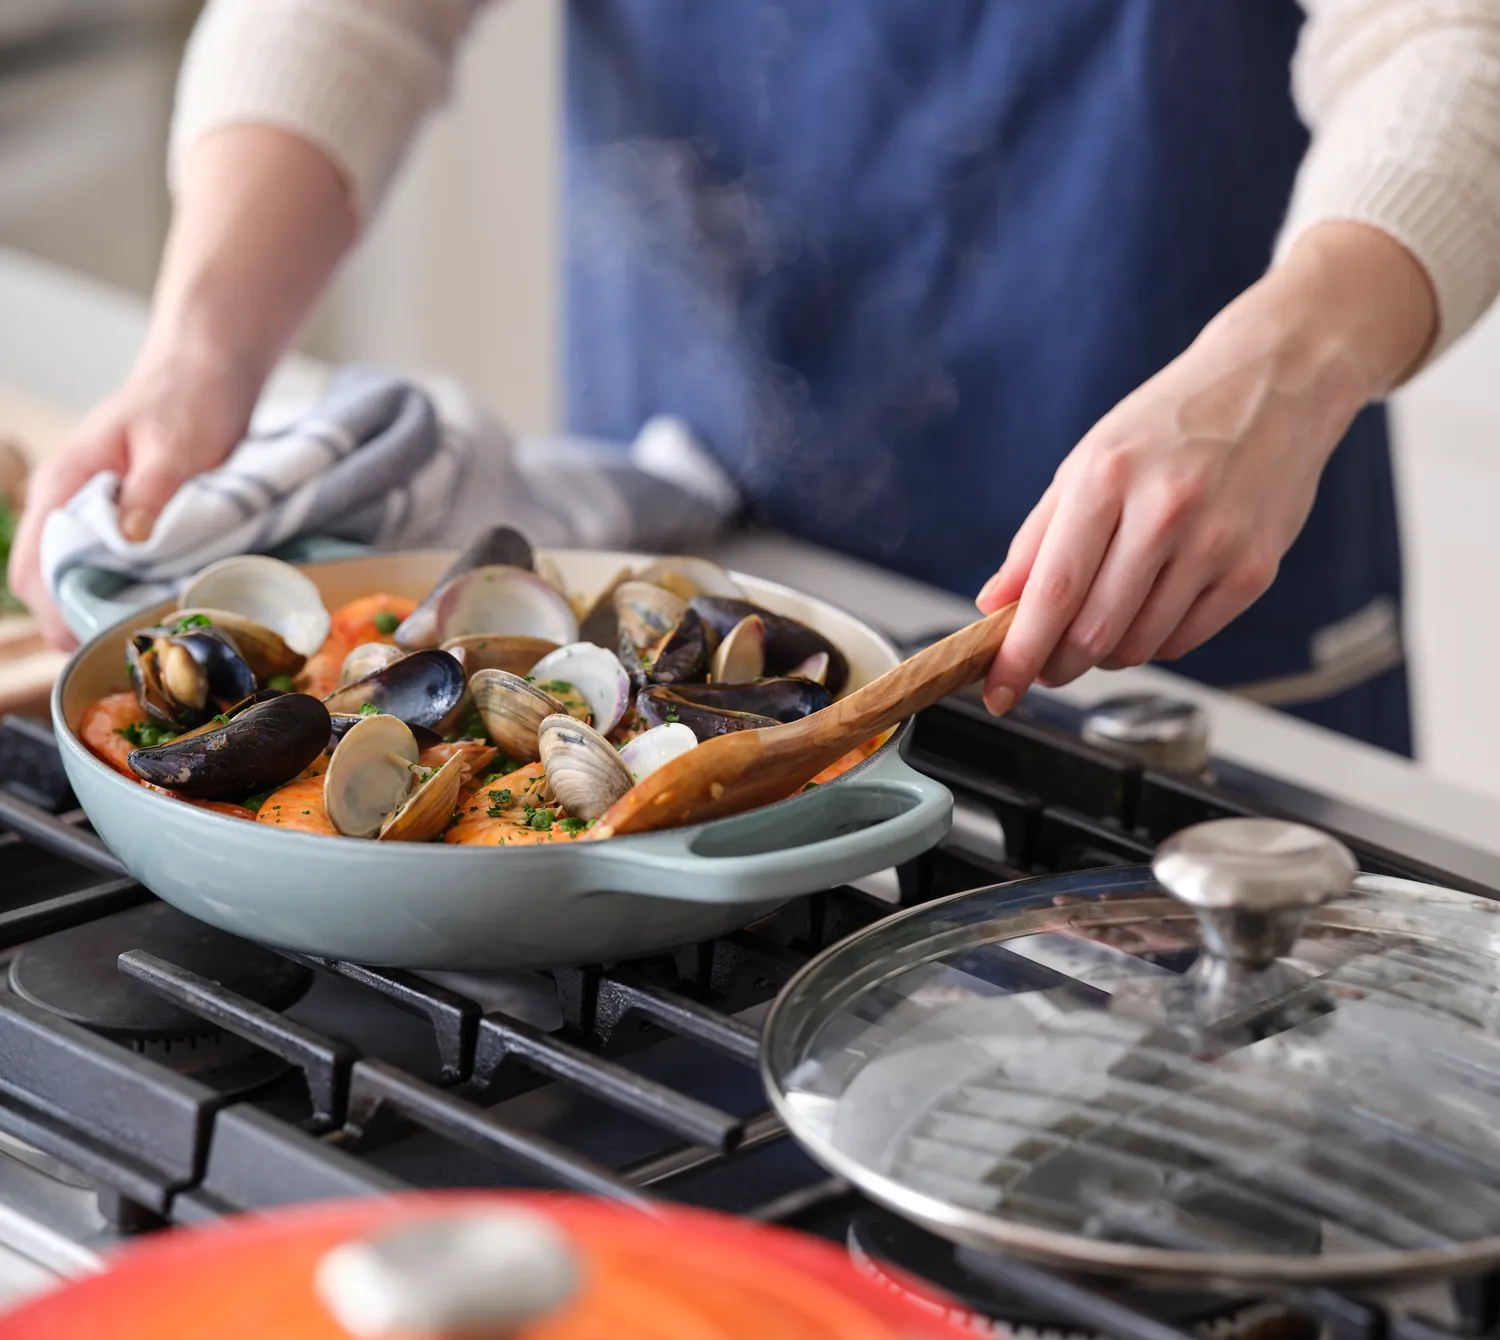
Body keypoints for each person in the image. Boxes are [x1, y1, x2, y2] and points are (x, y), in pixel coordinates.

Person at [12, 1, 1500, 756]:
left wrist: (1289, 361)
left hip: (1200, 610)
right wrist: (200, 347)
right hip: (689, 577)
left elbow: (1450, 39)